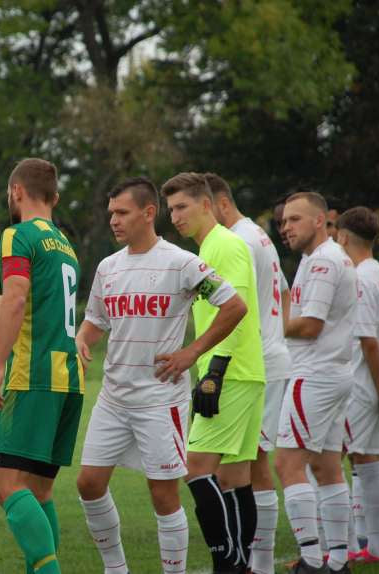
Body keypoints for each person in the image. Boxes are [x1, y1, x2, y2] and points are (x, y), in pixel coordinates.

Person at [75, 177, 246, 574]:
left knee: (163, 494)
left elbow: (234, 306)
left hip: (159, 400)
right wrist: (83, 341)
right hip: (113, 398)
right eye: (111, 213)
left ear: (148, 213)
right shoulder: (108, 266)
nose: (114, 221)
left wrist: (192, 351)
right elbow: (95, 321)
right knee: (88, 484)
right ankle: (115, 569)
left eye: (122, 212)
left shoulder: (182, 262)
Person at [0, 158, 82, 574]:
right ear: (55, 197)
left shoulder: (18, 235)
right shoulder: (65, 245)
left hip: (33, 376)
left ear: (16, 192)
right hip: (68, 381)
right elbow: (18, 303)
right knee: (39, 492)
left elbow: (16, 299)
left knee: (5, 485)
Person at [160, 172, 265, 574]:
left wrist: (212, 371)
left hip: (231, 373)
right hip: (244, 372)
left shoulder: (224, 245)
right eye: (171, 210)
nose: (175, 217)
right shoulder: (212, 246)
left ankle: (228, 563)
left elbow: (234, 309)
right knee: (235, 477)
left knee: (196, 468)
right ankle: (241, 565)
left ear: (207, 204)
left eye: (182, 207)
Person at [208, 173, 291, 574]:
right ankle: (257, 563)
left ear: (219, 202)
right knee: (250, 462)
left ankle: (257, 563)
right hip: (268, 356)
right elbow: (286, 293)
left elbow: (234, 307)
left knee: (247, 465)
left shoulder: (235, 240)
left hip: (252, 363)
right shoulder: (260, 236)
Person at [275, 191, 358, 574]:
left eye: (294, 219)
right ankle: (338, 561)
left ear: (320, 220)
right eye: (283, 221)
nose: (285, 227)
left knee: (288, 464)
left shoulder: (324, 261)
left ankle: (310, 560)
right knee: (327, 468)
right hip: (333, 373)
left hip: (314, 375)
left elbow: (309, 326)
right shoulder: (315, 259)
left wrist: (267, 325)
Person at [336, 206, 379, 564]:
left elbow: (368, 339)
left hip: (361, 385)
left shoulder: (359, 278)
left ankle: (342, 546)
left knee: (328, 461)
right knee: (369, 463)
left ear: (343, 236)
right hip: (378, 385)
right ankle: (375, 548)